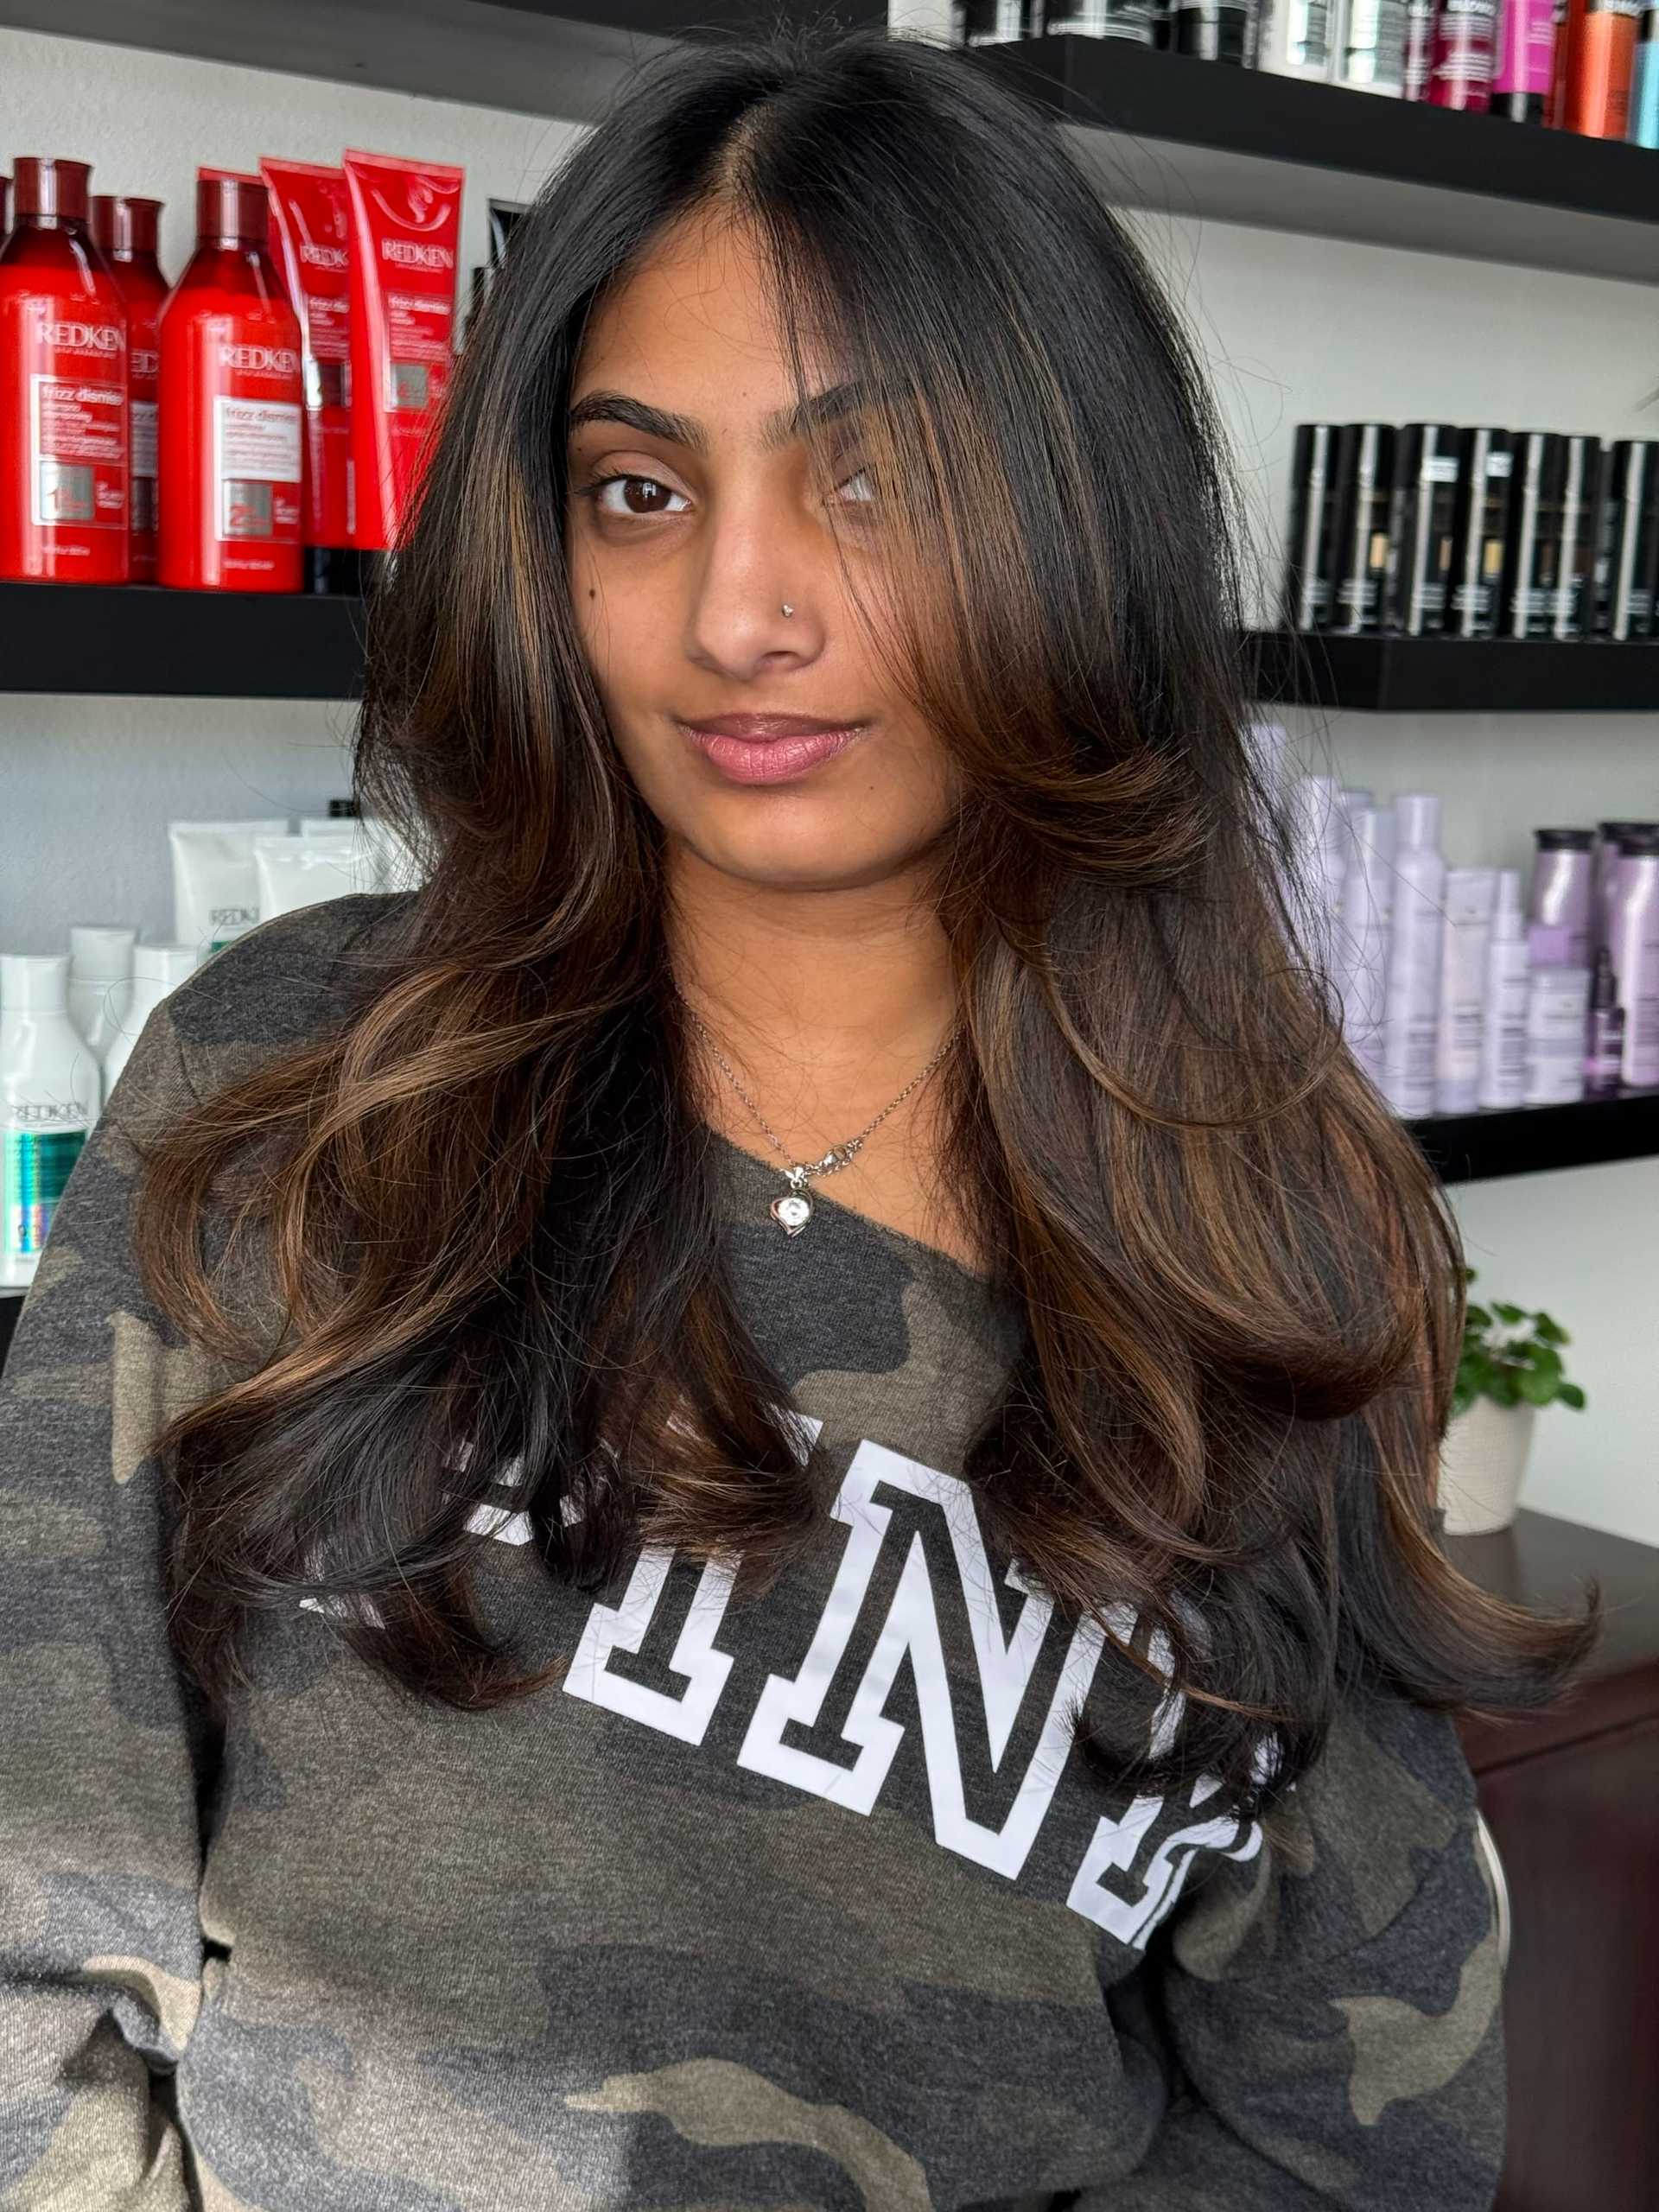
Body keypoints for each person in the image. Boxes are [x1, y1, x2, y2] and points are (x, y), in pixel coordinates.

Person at [0, 23, 1593, 2210]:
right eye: (641, 489)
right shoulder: (294, 1091)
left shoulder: (1278, 1255)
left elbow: (1348, 2121)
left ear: (1069, 517)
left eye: (877, 480)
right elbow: (29, 1914)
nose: (741, 612)